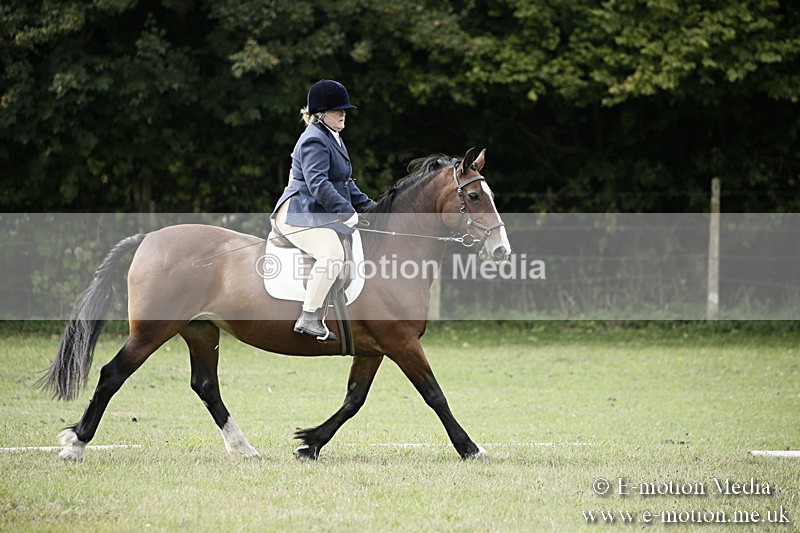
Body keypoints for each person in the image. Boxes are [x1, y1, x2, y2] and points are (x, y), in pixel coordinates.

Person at [270, 79, 376, 341]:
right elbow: (319, 185)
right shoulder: (314, 140)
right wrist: (347, 213)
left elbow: (345, 182)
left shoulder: (334, 137)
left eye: (344, 110)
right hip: (298, 211)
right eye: (337, 110)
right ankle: (309, 317)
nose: (343, 113)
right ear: (320, 114)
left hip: (316, 211)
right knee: (332, 255)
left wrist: (372, 208)